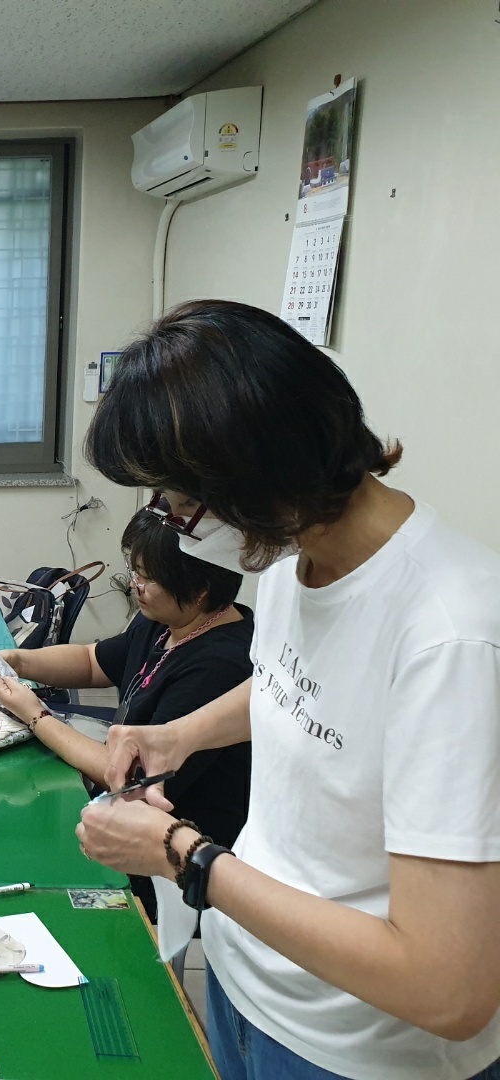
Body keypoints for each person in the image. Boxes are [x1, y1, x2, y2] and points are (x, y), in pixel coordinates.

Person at [76, 300, 500, 1080]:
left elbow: (449, 989)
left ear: (256, 473)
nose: (174, 525)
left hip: (356, 1049)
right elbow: (302, 692)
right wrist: (179, 735)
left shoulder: (454, 636)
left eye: (180, 502)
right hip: (244, 981)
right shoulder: (287, 559)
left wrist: (184, 856)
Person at [0, 507, 252, 916]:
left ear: (199, 590)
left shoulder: (220, 665)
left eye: (148, 578)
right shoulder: (167, 621)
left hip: (167, 859)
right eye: (134, 571)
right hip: (119, 813)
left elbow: (125, 776)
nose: (135, 586)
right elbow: (92, 661)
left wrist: (36, 716)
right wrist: (18, 660)